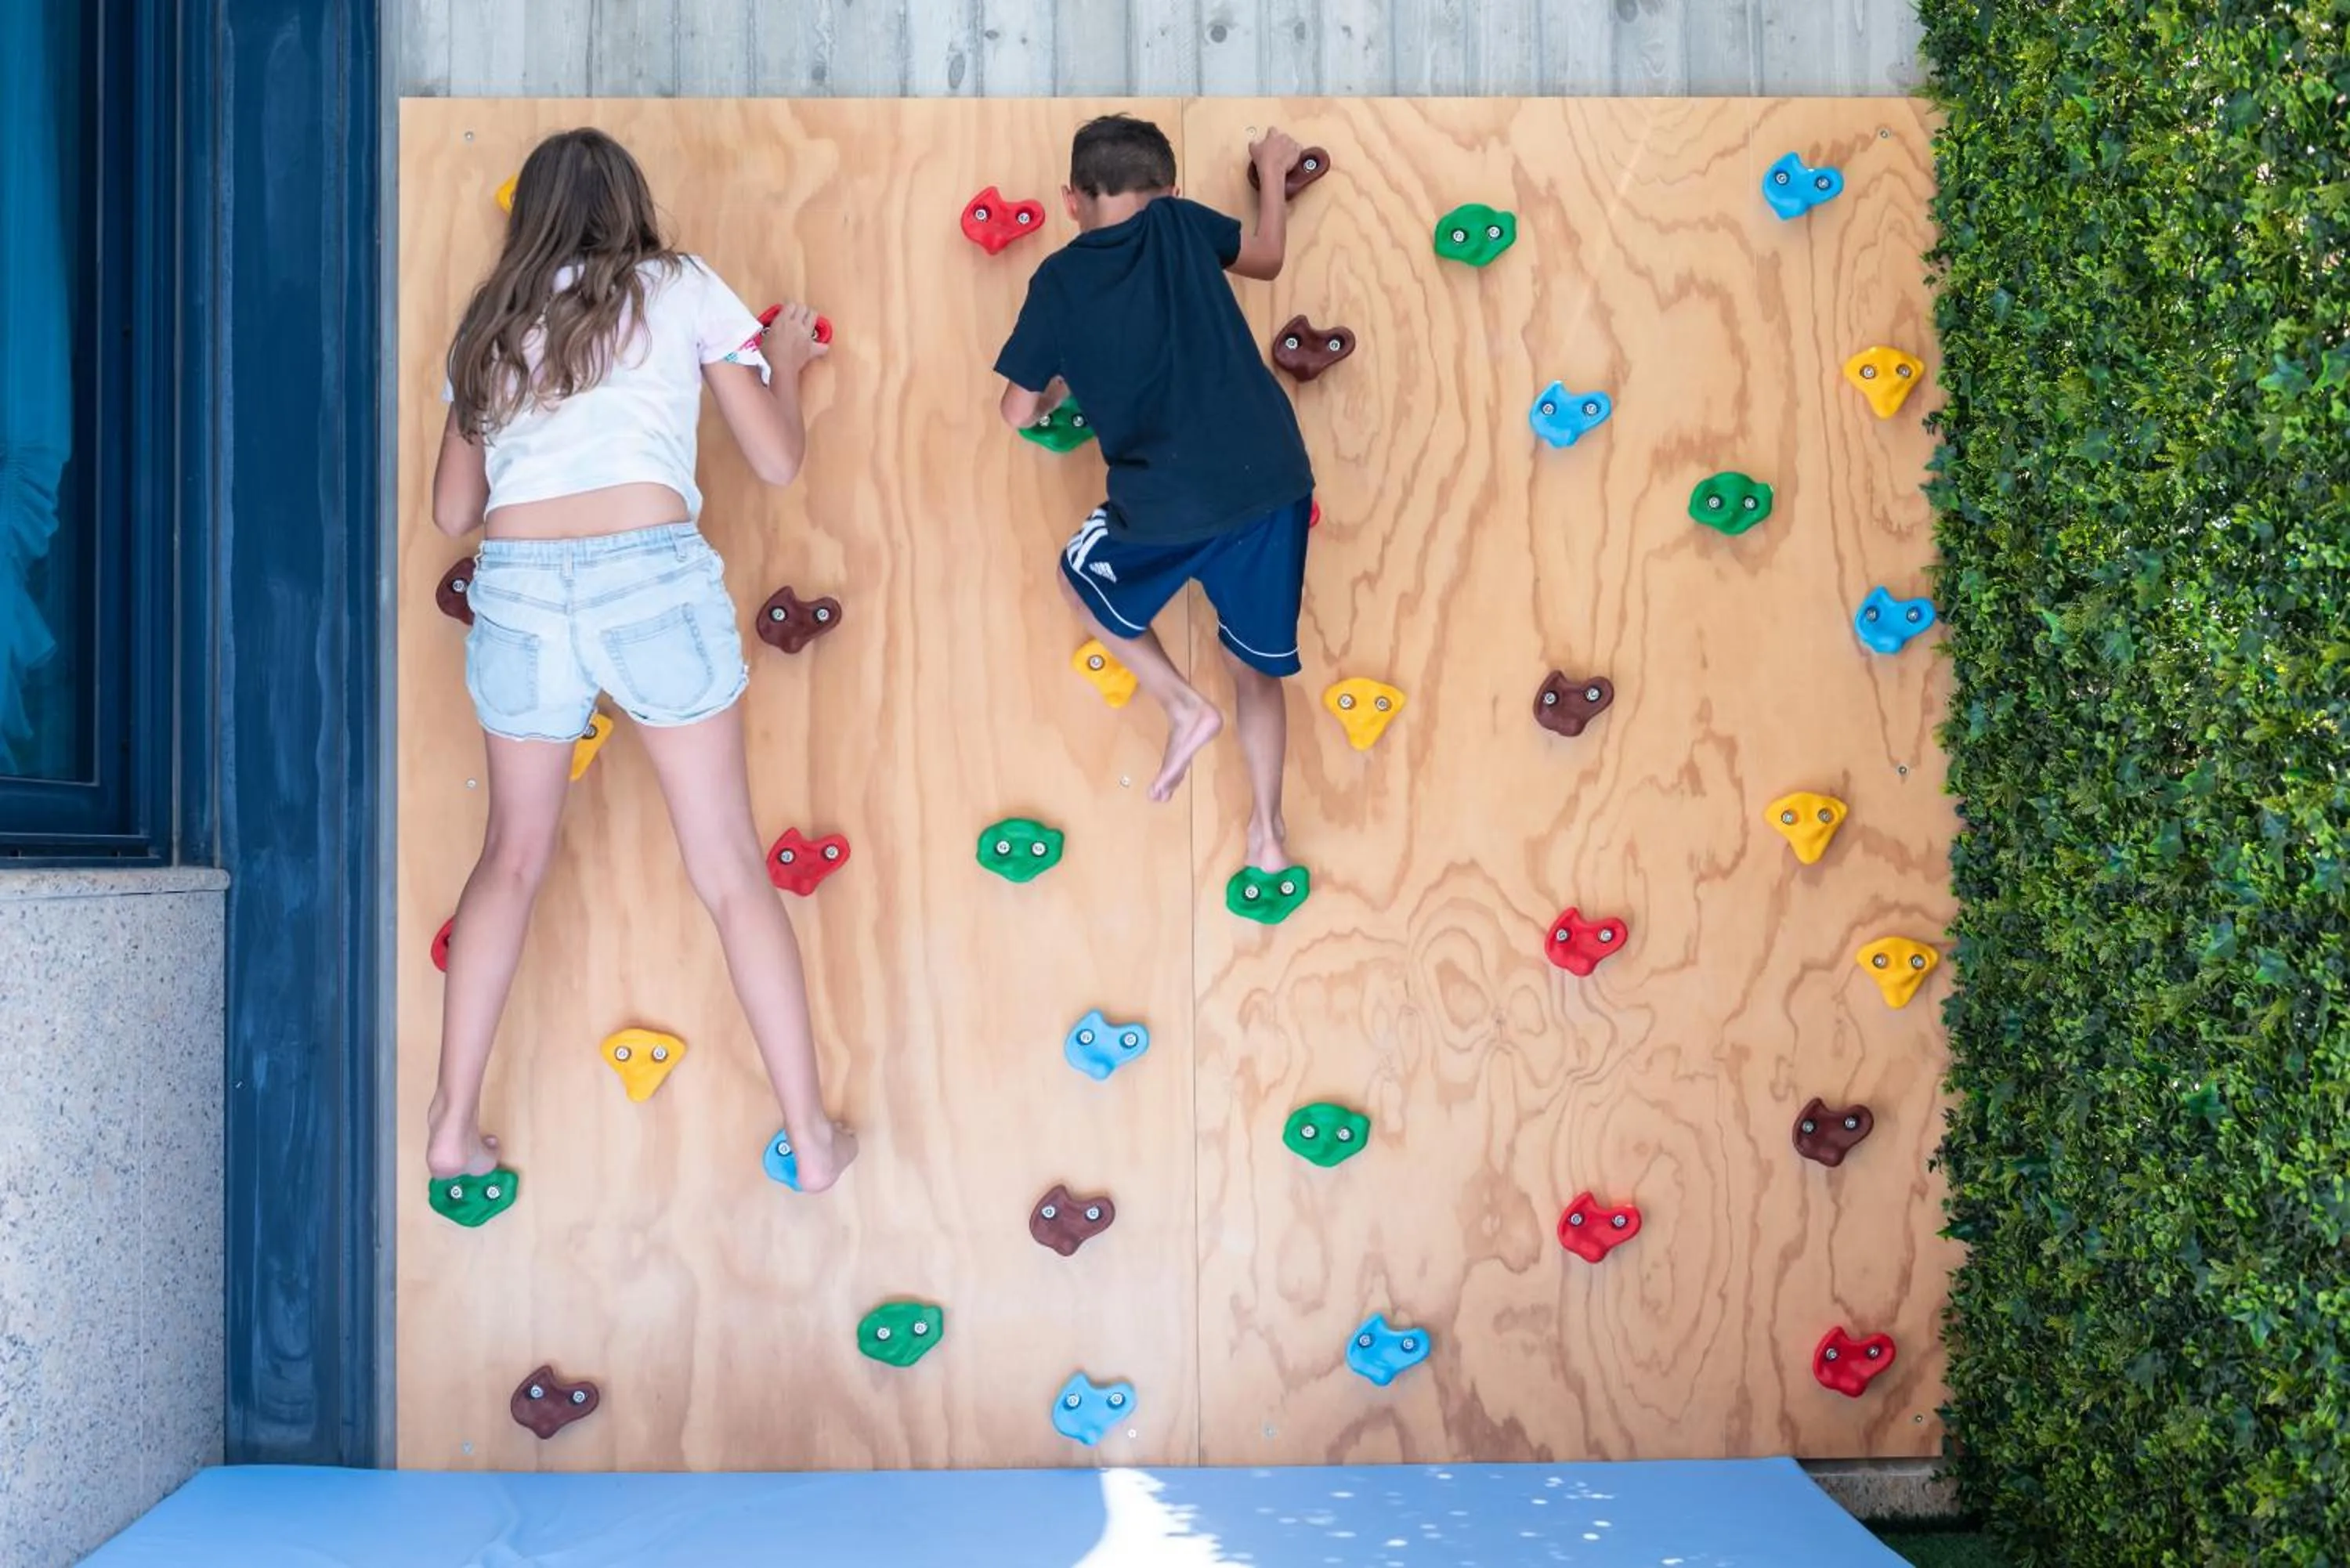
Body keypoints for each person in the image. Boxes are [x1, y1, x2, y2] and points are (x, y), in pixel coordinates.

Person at [427, 128, 855, 1194]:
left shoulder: (491, 322)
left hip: (519, 585)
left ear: (526, 219)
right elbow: (775, 457)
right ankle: (810, 1136)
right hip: (649, 578)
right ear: (633, 205)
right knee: (727, 869)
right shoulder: (677, 283)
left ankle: (448, 1121)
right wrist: (786, 364)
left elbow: (451, 512)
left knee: (510, 859)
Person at [994, 114, 1314, 876]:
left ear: (1071, 200)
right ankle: (1268, 836)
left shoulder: (1060, 282)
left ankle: (1180, 703)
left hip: (1167, 500)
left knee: (1082, 577)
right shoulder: (1179, 224)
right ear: (1170, 189)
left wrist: (1063, 377)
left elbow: (1017, 409)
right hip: (1272, 478)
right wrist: (1271, 172)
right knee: (1256, 666)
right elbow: (1265, 257)